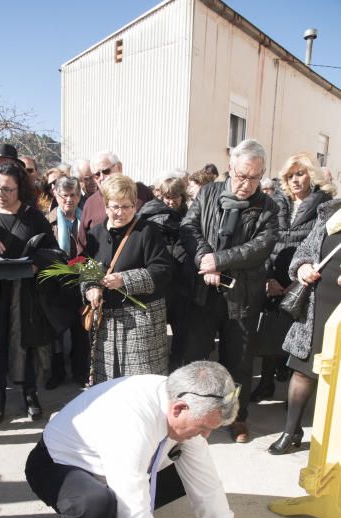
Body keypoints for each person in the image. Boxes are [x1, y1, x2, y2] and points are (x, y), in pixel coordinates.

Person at [25, 360, 254, 518]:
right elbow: (136, 516)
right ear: (178, 409)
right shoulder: (130, 425)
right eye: (203, 428)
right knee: (96, 504)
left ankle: (111, 516)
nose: (205, 436)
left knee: (187, 471)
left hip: (110, 464)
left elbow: (206, 483)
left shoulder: (183, 403)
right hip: (55, 465)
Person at [180, 139, 278, 443]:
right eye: (241, 176)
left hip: (243, 298)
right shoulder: (209, 193)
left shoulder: (268, 207)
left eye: (254, 178)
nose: (246, 184)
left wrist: (219, 261)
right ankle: (190, 416)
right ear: (229, 169)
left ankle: (237, 417)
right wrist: (204, 260)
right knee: (195, 359)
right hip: (203, 294)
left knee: (239, 362)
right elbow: (188, 227)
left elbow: (260, 248)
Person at [0, 162, 57, 424]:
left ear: (20, 189)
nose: (1, 193)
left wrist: (35, 264)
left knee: (26, 344)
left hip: (27, 293)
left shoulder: (33, 216)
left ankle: (30, 395)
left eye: (8, 189)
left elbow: (53, 252)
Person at [252, 153, 335, 401]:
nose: (295, 180)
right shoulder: (275, 203)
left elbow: (323, 247)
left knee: (296, 341)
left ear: (312, 174)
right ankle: (265, 384)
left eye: (300, 173)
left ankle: (293, 400)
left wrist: (298, 280)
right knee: (269, 335)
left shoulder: (325, 206)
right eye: (290, 175)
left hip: (304, 281)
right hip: (273, 277)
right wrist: (267, 278)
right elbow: (263, 242)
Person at [269, 198, 341, 455]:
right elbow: (303, 252)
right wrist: (303, 267)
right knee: (302, 371)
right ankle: (291, 430)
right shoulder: (331, 214)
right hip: (317, 305)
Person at [84, 174, 171, 383]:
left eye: (127, 206)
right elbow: (87, 269)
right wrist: (90, 288)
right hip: (106, 324)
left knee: (139, 387)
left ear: (135, 205)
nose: (121, 213)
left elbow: (163, 271)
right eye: (115, 206)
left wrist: (124, 279)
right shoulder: (95, 234)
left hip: (141, 324)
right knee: (109, 388)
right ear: (105, 206)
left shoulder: (147, 231)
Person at [139, 174, 192, 370]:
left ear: (183, 196)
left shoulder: (189, 216)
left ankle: (176, 365)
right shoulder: (150, 216)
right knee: (157, 331)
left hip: (182, 282)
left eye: (175, 196)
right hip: (160, 282)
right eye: (167, 196)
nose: (171, 201)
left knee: (182, 329)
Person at [45, 175, 89, 388]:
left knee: (81, 331)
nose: (69, 200)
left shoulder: (86, 219)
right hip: (56, 284)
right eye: (64, 195)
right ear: (56, 194)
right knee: (56, 334)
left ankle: (80, 371)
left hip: (81, 283)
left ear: (80, 195)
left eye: (73, 195)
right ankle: (57, 372)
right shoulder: (48, 220)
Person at [78, 150, 153, 250]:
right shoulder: (90, 203)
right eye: (96, 174)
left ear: (119, 167)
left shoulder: (141, 192)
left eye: (106, 171)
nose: (102, 177)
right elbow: (82, 245)